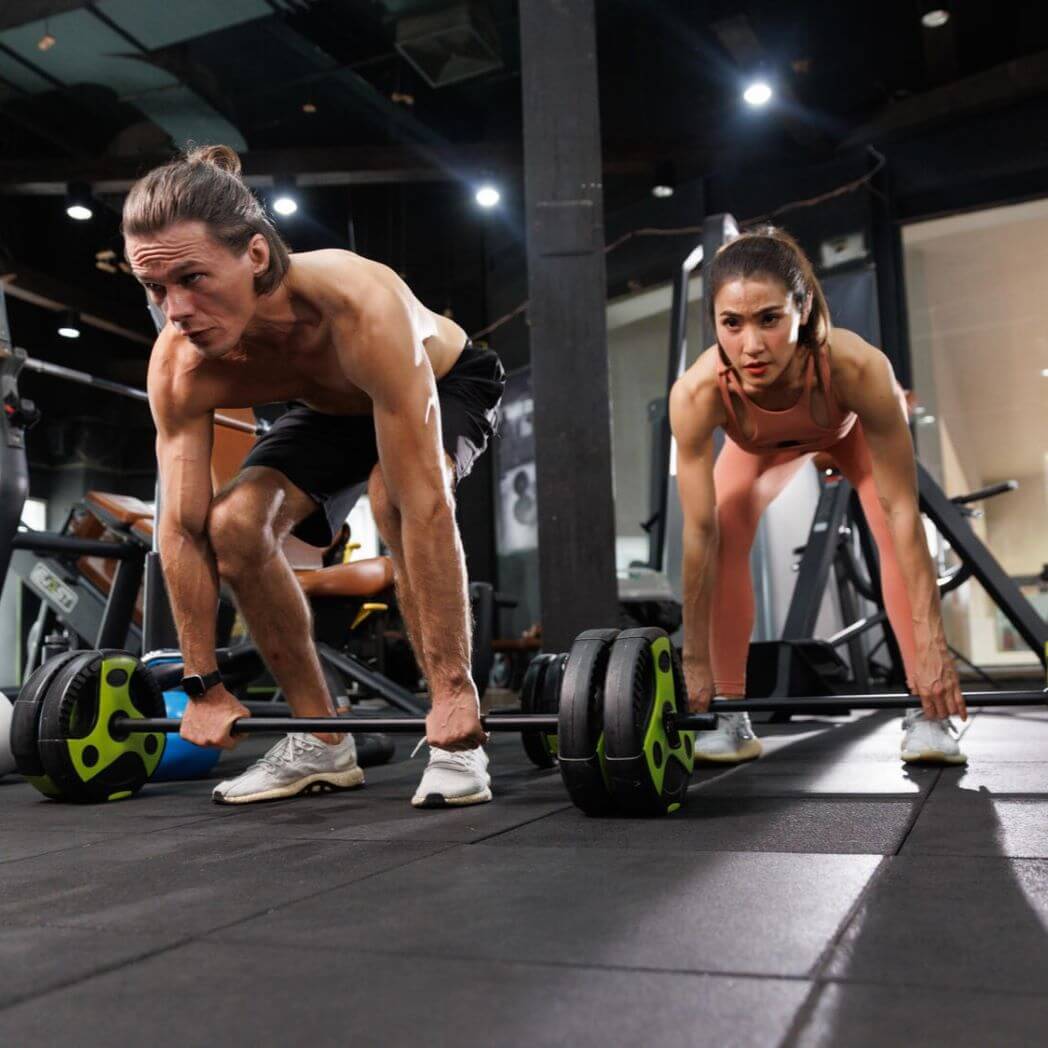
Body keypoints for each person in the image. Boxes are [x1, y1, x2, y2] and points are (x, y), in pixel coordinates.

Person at [122, 145, 505, 806]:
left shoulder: (359, 305)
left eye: (192, 278)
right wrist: (202, 683)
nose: (174, 309)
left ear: (256, 257)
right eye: (156, 289)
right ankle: (322, 739)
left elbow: (423, 509)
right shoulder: (180, 365)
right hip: (331, 407)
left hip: (446, 381)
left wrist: (452, 688)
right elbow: (181, 531)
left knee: (392, 496)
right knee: (233, 525)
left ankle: (455, 740)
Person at [670, 226, 967, 765]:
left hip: (846, 432)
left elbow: (904, 514)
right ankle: (731, 714)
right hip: (760, 448)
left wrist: (936, 651)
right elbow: (698, 534)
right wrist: (695, 661)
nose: (751, 346)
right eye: (731, 324)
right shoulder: (696, 392)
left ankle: (928, 708)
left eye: (769, 319)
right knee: (725, 522)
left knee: (886, 519)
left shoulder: (857, 366)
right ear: (713, 321)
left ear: (801, 308)